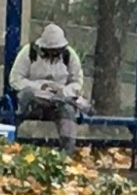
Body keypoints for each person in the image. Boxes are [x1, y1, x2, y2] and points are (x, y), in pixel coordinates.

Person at [9, 23, 84, 154]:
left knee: (68, 111)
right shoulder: (28, 53)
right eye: (50, 50)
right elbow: (15, 79)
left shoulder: (69, 56)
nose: (54, 53)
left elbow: (77, 82)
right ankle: (15, 145)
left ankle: (67, 153)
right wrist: (39, 87)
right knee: (26, 95)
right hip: (33, 101)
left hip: (59, 102)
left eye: (57, 50)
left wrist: (64, 91)